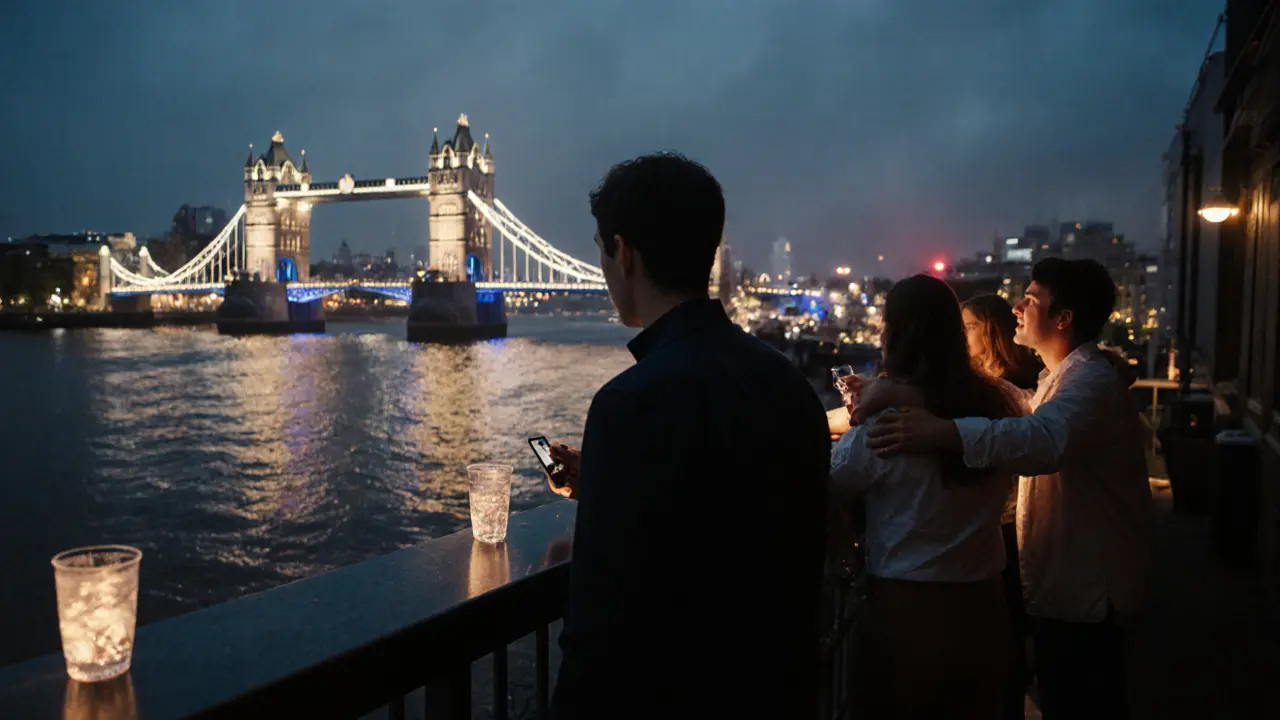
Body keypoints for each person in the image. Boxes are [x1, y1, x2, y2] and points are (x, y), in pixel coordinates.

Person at [545, 153, 831, 719]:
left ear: (623, 253)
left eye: (602, 250)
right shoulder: (789, 384)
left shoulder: (628, 405)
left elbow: (600, 628)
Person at [860, 258, 1152, 720]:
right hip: (1069, 588)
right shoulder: (1067, 378)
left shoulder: (1091, 381)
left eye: (1032, 300)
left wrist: (941, 431)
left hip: (1090, 592)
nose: (1017, 307)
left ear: (1063, 319)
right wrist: (910, 391)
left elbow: (1040, 440)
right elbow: (1019, 407)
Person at [830, 275, 1022, 720]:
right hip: (984, 610)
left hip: (906, 614)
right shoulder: (997, 409)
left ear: (893, 334)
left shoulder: (887, 427)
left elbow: (833, 483)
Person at [962, 293, 1041, 720]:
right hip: (995, 516)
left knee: (1005, 624)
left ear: (991, 330)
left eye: (970, 327)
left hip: (1010, 517)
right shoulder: (978, 383)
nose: (963, 336)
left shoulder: (1011, 384)